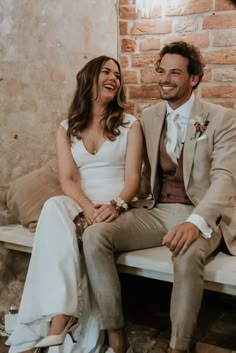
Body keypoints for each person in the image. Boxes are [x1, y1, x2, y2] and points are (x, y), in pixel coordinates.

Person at [81, 41, 236, 353]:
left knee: (187, 252)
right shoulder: (148, 117)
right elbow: (138, 178)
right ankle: (115, 332)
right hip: (159, 209)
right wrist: (115, 204)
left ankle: (179, 346)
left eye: (175, 73)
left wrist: (195, 223)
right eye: (161, 71)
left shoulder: (221, 117)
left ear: (194, 78)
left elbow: (225, 179)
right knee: (95, 235)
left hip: (205, 212)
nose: (165, 79)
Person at [6, 55, 143, 353]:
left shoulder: (130, 124)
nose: (114, 78)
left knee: (60, 229)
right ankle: (61, 319)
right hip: (82, 203)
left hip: (116, 205)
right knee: (54, 206)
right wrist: (88, 209)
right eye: (106, 72)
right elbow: (68, 179)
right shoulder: (66, 128)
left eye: (117, 75)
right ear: (89, 79)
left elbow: (133, 179)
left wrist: (115, 205)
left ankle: (58, 323)